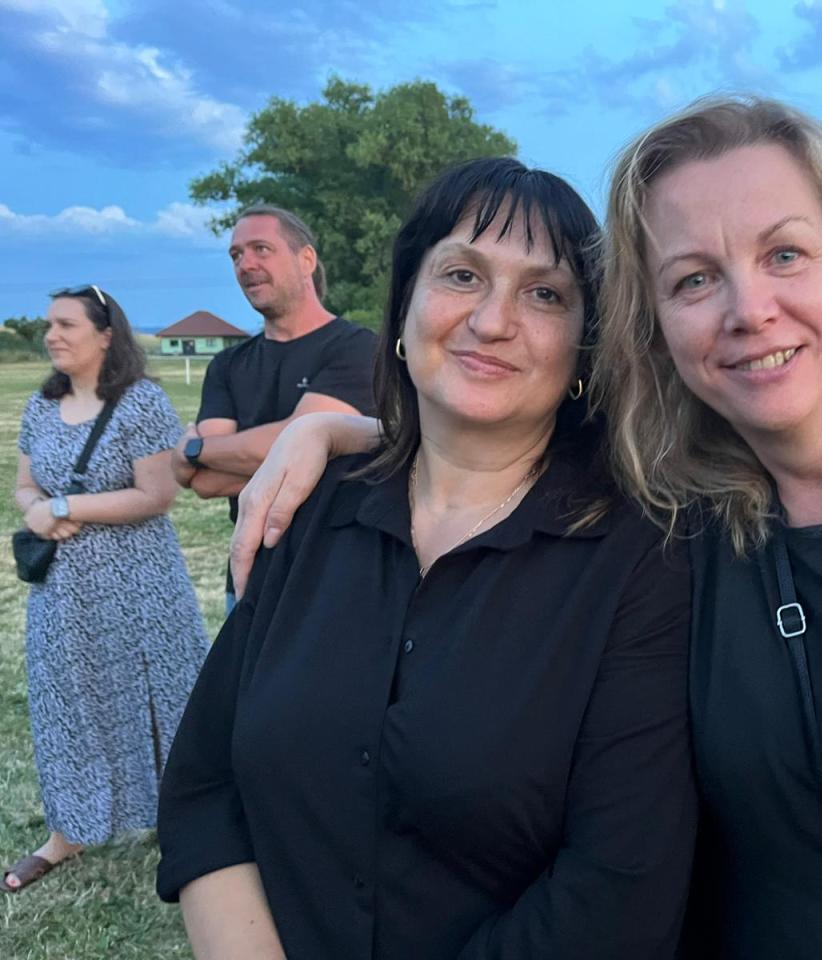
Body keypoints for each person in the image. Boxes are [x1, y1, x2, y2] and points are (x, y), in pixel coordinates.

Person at [228, 98, 822, 957]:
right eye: (692, 279)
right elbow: (489, 430)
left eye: (784, 255)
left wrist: (330, 429)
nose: (747, 309)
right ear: (651, 324)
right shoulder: (675, 503)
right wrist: (342, 433)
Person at [155, 159, 697, 959]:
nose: (493, 319)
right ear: (403, 310)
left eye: (545, 294)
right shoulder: (308, 508)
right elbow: (204, 788)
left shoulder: (642, 557)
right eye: (461, 274)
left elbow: (621, 887)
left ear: (585, 349)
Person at [6, 286, 208, 893]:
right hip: (63, 595)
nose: (52, 335)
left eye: (66, 324)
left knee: (163, 697)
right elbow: (24, 485)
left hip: (141, 587)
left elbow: (157, 495)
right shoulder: (41, 406)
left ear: (106, 334)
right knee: (66, 702)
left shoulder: (141, 401)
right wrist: (35, 508)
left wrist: (66, 506)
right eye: (49, 325)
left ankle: (187, 820)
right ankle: (67, 833)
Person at [171, 205, 377, 613]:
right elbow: (206, 482)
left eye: (261, 249)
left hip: (335, 578)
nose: (245, 264)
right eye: (236, 255)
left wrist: (192, 450)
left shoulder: (356, 349)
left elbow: (305, 442)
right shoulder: (227, 365)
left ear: (306, 259)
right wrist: (221, 461)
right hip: (248, 579)